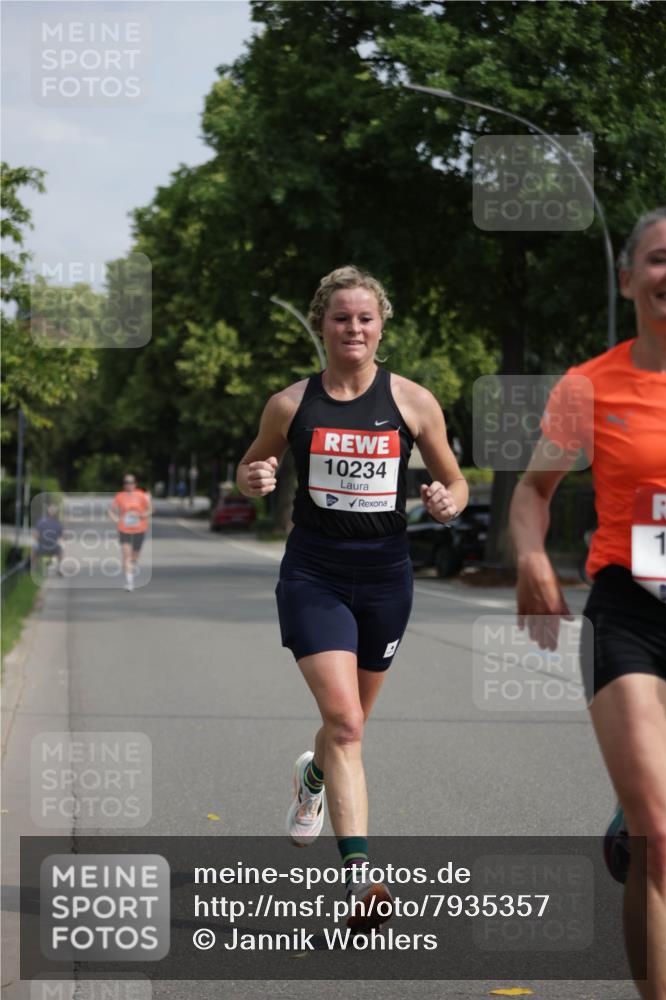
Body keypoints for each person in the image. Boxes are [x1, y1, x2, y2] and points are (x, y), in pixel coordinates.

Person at [237, 266, 468, 930]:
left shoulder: (414, 402)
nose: (354, 328)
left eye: (365, 317)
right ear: (321, 324)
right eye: (341, 317)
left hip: (386, 578)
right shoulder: (290, 404)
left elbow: (451, 484)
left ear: (381, 324)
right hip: (315, 574)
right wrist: (253, 477)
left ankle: (312, 780)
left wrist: (444, 501)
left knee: (348, 728)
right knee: (345, 724)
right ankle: (360, 880)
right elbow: (251, 467)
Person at [510, 208, 666, 998]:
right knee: (659, 839)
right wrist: (533, 556)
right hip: (630, 610)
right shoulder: (589, 384)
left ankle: (628, 808)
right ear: (628, 276)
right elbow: (533, 492)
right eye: (658, 259)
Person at [108, 473, 153, 592]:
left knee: (134, 558)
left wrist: (142, 515)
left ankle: (130, 569)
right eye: (126, 482)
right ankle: (130, 582)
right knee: (126, 556)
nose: (129, 485)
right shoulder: (120, 496)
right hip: (124, 529)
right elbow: (111, 511)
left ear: (135, 484)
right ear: (124, 485)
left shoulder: (141, 495)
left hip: (139, 529)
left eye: (131, 482)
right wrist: (116, 520)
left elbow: (150, 510)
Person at [32, 502, 64, 575]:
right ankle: (59, 569)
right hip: (54, 547)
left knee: (34, 549)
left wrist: (39, 541)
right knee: (61, 550)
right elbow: (62, 537)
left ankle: (33, 568)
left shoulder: (41, 521)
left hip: (41, 546)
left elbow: (35, 535)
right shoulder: (59, 523)